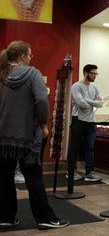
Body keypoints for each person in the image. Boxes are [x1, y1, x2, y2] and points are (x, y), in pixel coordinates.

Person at [0, 41, 69, 229]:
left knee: (5, 177)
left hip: (4, 139)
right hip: (28, 137)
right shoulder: (33, 74)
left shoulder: (3, 74)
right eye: (30, 55)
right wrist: (44, 124)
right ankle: (45, 218)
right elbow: (41, 100)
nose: (31, 58)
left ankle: (6, 217)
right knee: (34, 177)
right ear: (23, 56)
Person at [68, 64, 103, 182]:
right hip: (78, 119)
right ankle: (71, 172)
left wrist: (87, 100)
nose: (94, 75)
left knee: (90, 147)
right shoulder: (76, 86)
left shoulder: (95, 87)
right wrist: (92, 102)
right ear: (86, 73)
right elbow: (80, 103)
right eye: (93, 73)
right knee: (75, 147)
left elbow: (101, 104)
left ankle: (89, 173)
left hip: (91, 121)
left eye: (95, 73)